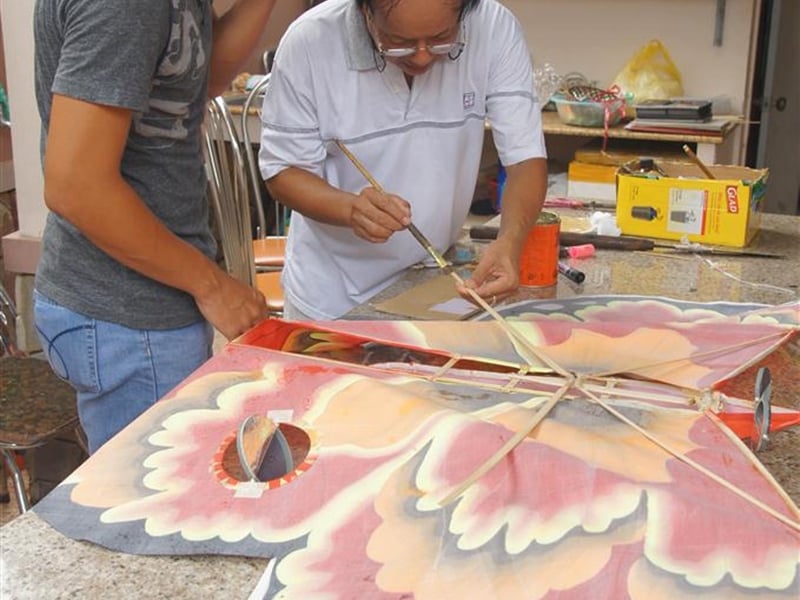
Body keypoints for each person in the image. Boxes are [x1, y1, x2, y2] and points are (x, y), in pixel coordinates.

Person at [33, 0, 276, 454]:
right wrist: (212, 286)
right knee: (142, 508)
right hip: (129, 311)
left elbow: (196, 80)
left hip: (141, 298)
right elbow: (75, 185)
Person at [259, 0, 547, 321]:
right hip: (335, 298)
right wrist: (350, 209)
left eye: (441, 38)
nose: (422, 56)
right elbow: (283, 172)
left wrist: (510, 240)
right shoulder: (311, 41)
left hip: (433, 282)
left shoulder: (493, 27)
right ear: (366, 12)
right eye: (398, 43)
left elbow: (525, 159)